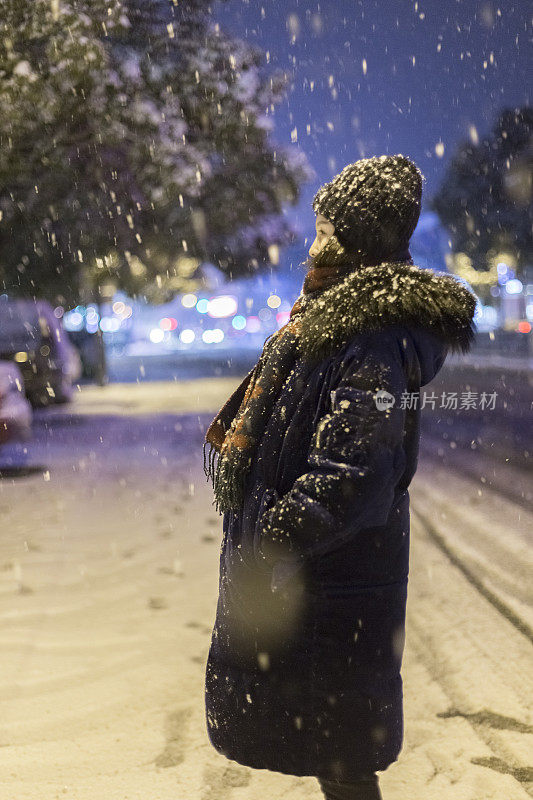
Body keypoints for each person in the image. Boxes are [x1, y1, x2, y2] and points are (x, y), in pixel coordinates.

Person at [202, 154, 478, 799]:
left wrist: (278, 531)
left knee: (342, 755)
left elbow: (355, 468)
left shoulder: (371, 333)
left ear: (359, 237)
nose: (315, 241)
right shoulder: (332, 318)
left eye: (327, 229)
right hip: (325, 580)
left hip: (332, 582)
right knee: (335, 753)